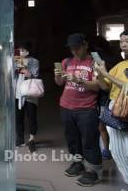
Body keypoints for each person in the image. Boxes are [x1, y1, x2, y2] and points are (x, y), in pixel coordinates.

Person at [54, 33, 102, 187]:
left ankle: (93, 172)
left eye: (77, 48)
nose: (74, 51)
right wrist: (58, 76)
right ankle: (77, 163)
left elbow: (98, 86)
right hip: (66, 106)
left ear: (85, 45)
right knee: (72, 139)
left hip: (87, 108)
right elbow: (59, 83)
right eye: (72, 49)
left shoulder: (95, 61)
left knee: (90, 141)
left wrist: (78, 80)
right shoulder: (66, 61)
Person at [95, 30, 128, 184]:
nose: (123, 45)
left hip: (125, 109)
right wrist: (100, 73)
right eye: (121, 41)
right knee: (117, 150)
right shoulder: (119, 65)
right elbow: (105, 87)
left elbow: (126, 86)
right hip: (114, 109)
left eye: (127, 41)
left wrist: (106, 74)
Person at [89, 36, 122, 160]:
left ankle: (107, 150)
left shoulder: (102, 58)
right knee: (110, 125)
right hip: (110, 95)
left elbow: (101, 78)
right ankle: (110, 150)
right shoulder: (116, 56)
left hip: (105, 96)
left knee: (103, 125)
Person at [15, 42, 40, 152]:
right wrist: (16, 66)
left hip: (30, 92)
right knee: (18, 117)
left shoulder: (34, 61)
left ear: (28, 51)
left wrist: (25, 67)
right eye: (20, 49)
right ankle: (20, 140)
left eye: (23, 49)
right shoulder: (15, 60)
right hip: (18, 92)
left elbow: (34, 75)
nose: (21, 52)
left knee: (31, 117)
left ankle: (31, 139)